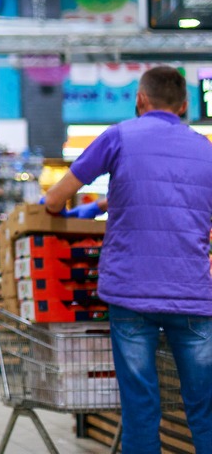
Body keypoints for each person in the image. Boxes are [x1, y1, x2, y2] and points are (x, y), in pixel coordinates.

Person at [43, 66, 212, 453]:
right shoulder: (206, 148)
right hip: (193, 295)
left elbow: (55, 198)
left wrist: (82, 207)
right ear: (185, 105)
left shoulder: (118, 135)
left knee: (140, 407)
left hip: (132, 294)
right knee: (204, 408)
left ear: (140, 99)